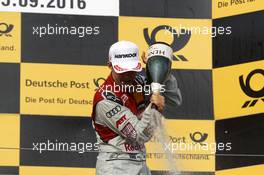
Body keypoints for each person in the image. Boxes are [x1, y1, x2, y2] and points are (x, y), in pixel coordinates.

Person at [91, 41, 182, 175]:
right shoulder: (105, 99)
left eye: (132, 70)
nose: (128, 76)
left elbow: (174, 100)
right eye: (123, 71)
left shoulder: (138, 82)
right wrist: (154, 108)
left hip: (140, 163)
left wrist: (160, 67)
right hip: (116, 166)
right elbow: (138, 136)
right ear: (110, 66)